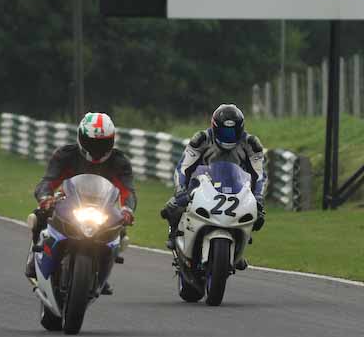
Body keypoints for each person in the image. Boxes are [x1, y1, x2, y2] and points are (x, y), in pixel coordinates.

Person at [25, 112, 136, 292]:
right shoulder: (65, 155)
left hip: (102, 207)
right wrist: (46, 198)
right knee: (39, 214)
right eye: (91, 142)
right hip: (68, 202)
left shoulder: (119, 162)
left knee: (120, 230)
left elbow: (128, 190)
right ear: (81, 137)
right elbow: (48, 181)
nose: (96, 148)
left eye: (102, 143)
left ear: (111, 141)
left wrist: (127, 210)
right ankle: (34, 258)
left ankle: (100, 273)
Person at [161, 103, 267, 265]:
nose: (229, 136)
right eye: (225, 131)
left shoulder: (251, 144)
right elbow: (183, 167)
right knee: (173, 207)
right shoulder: (201, 139)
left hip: (237, 188)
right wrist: (181, 189)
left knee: (258, 217)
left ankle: (238, 247)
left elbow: (259, 174)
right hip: (202, 184)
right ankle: (174, 235)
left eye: (233, 131)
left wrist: (258, 196)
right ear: (215, 127)